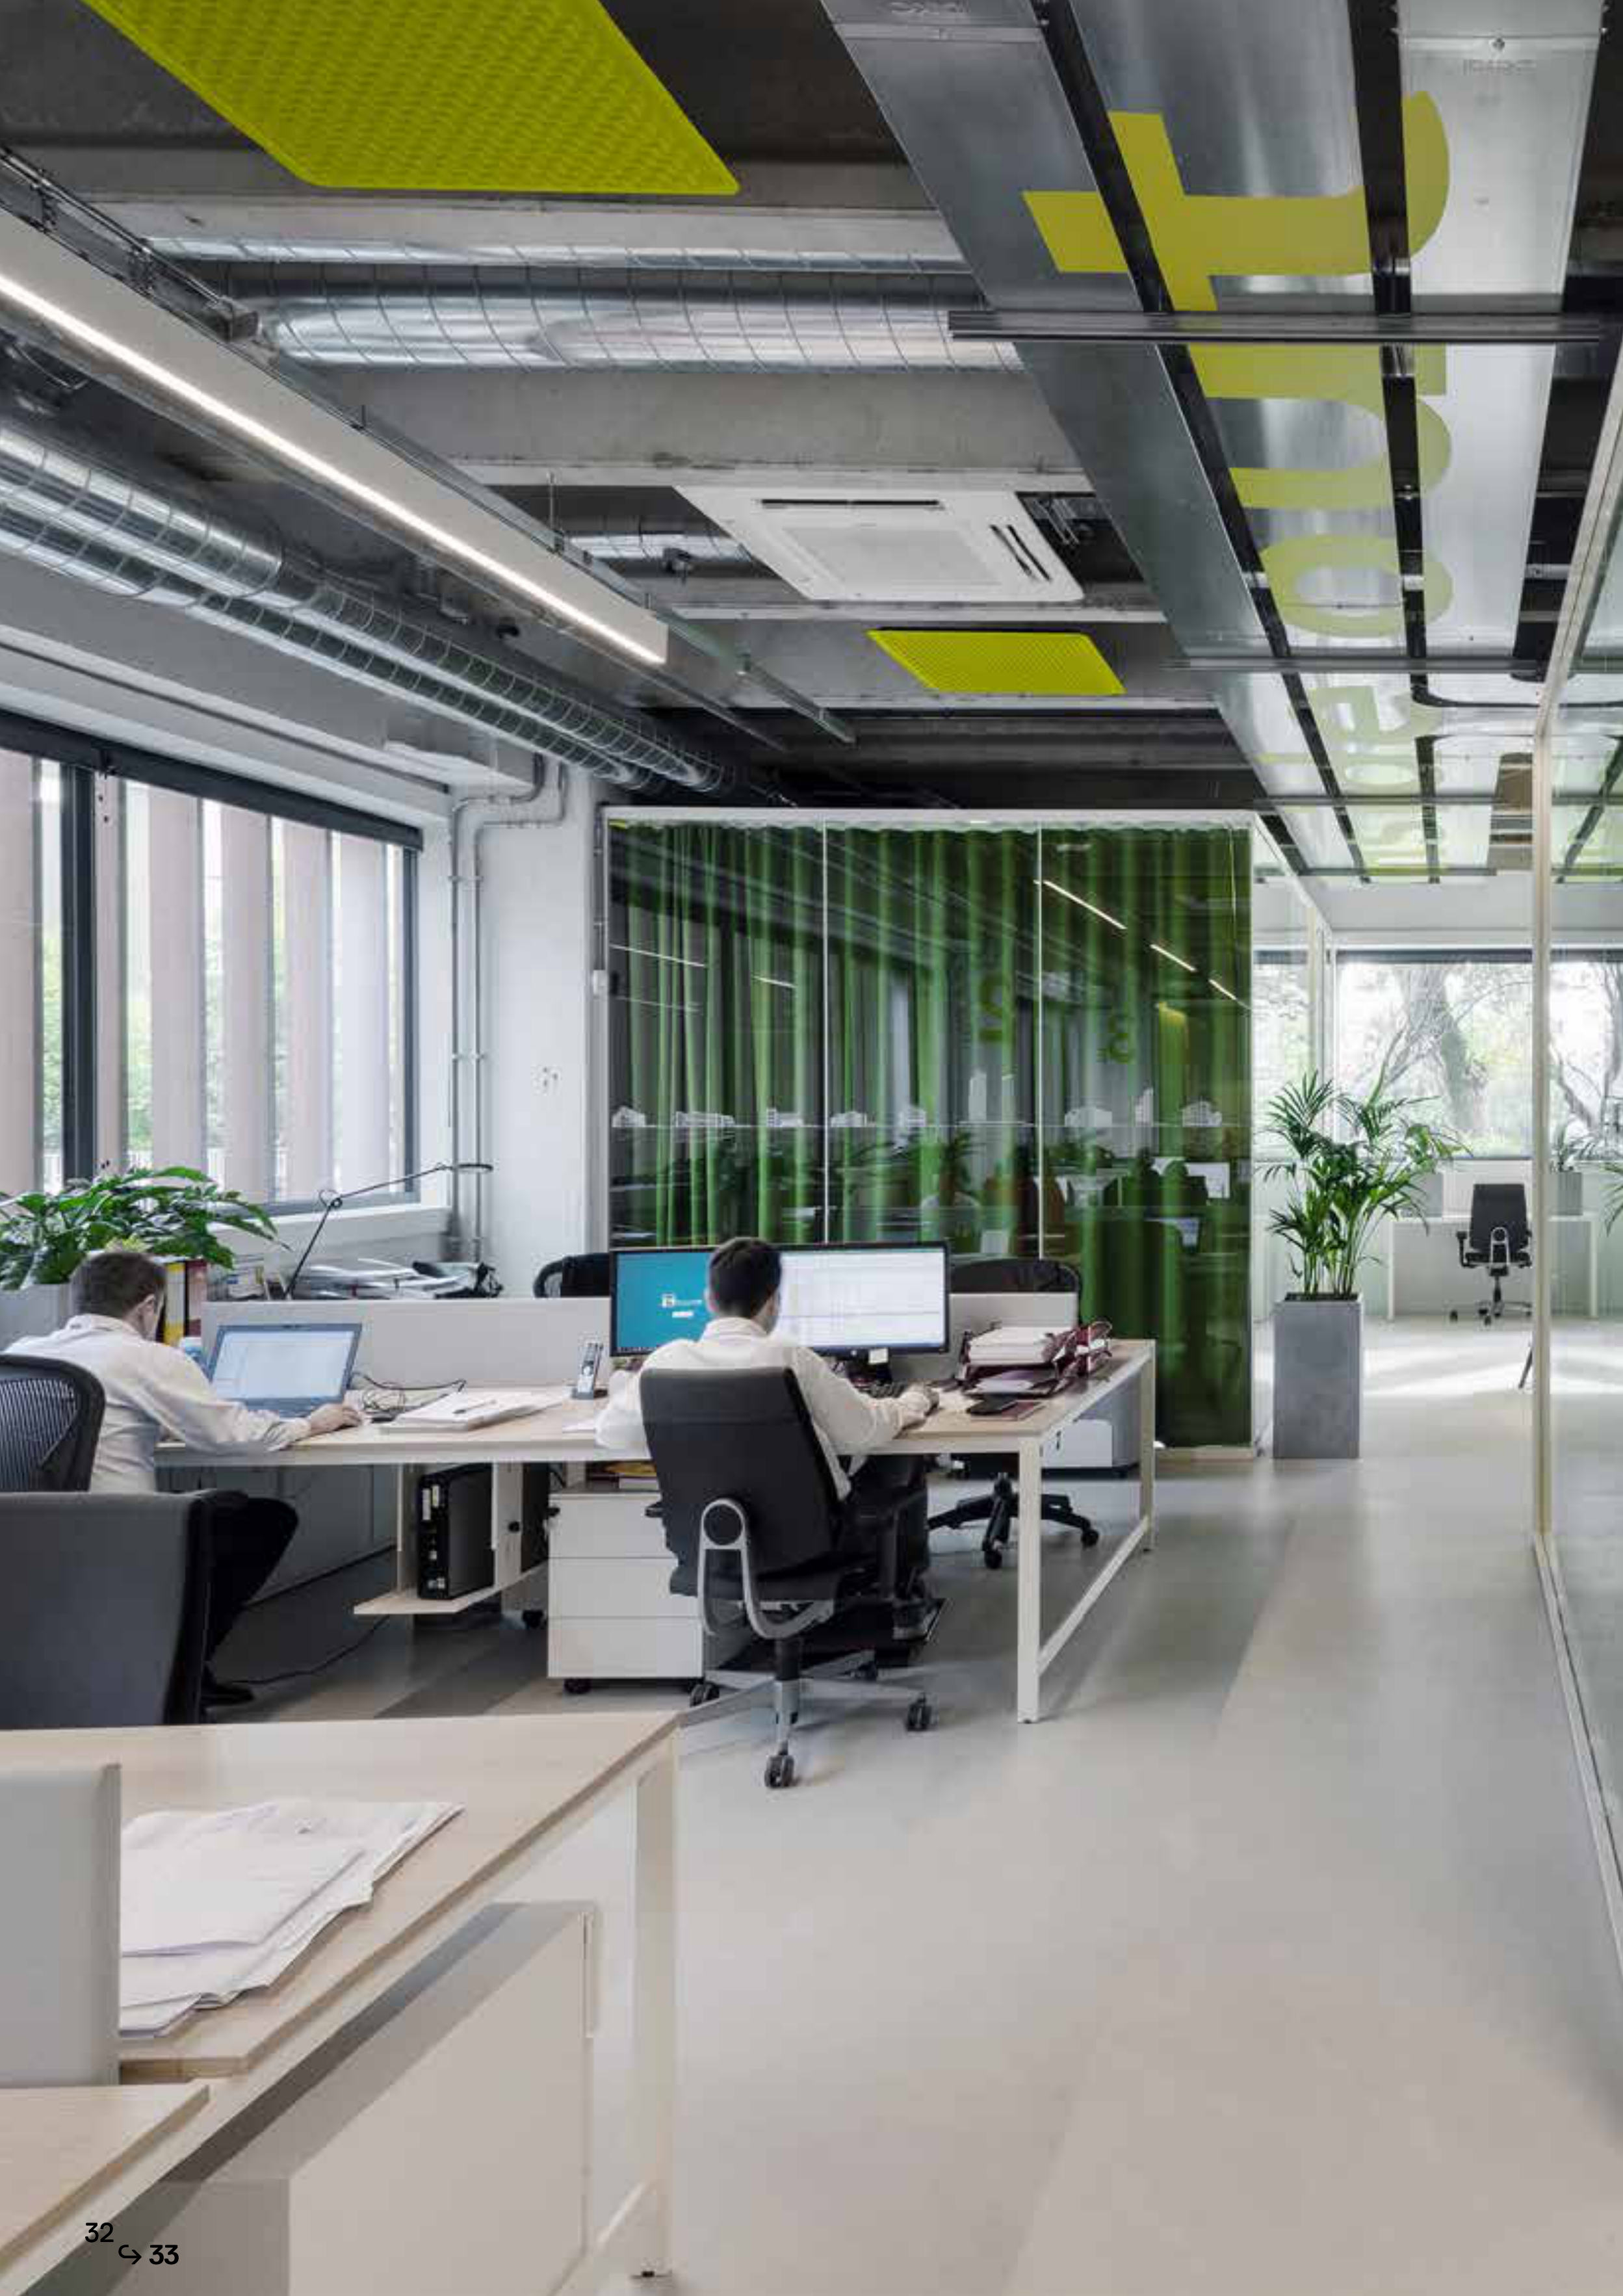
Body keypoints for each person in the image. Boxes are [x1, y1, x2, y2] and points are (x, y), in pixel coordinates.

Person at [6, 1248, 360, 1705]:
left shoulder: (21, 1353)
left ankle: (169, 1666)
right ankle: (182, 1673)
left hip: (24, 1533)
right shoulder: (147, 1358)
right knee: (267, 1521)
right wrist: (310, 1423)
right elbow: (234, 1434)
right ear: (148, 1307)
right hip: (118, 1531)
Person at [595, 1236, 938, 1594]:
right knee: (900, 1457)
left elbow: (610, 1434)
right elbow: (864, 1431)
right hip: (813, 1543)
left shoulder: (666, 1361)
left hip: (712, 1541)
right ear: (774, 1302)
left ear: (709, 1300)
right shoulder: (790, 1357)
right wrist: (912, 1402)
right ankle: (902, 1596)